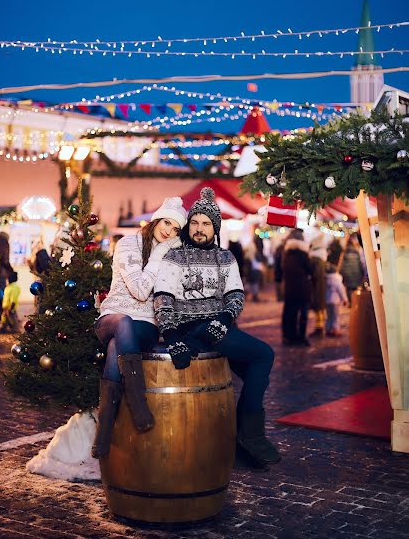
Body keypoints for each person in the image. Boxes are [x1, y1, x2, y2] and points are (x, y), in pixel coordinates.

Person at [154, 187, 280, 469]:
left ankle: (245, 436)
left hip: (218, 327)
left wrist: (223, 320)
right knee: (263, 357)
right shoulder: (173, 258)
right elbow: (163, 298)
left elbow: (235, 295)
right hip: (187, 326)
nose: (199, 229)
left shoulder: (226, 258)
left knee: (257, 368)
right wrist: (172, 335)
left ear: (215, 228)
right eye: (195, 222)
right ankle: (250, 436)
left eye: (206, 224)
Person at [91, 196, 187, 459]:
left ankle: (103, 435)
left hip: (145, 325)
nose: (168, 230)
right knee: (123, 324)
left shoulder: (171, 256)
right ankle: (137, 402)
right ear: (157, 218)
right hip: (112, 317)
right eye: (166, 222)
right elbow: (140, 289)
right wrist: (157, 256)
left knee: (117, 346)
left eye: (176, 229)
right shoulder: (128, 244)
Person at [281, 229, 312, 346]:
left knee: (289, 313)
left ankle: (288, 336)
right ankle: (301, 337)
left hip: (289, 288)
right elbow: (310, 269)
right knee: (303, 314)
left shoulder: (286, 254)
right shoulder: (303, 254)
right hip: (302, 288)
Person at [308, 233, 328, 339]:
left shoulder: (316, 259)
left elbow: (316, 275)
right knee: (319, 308)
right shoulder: (321, 259)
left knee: (319, 308)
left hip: (317, 287)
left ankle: (319, 328)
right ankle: (319, 327)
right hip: (320, 286)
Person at [340, 234, 365, 305]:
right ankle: (356, 303)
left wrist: (342, 274)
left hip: (347, 275)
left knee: (348, 289)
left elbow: (342, 265)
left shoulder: (344, 253)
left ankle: (351, 303)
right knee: (355, 289)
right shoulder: (356, 252)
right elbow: (360, 264)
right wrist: (362, 273)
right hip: (356, 274)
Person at [325, 263, 348, 336]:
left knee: (329, 316)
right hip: (335, 301)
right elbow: (341, 290)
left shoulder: (326, 279)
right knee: (335, 316)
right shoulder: (337, 280)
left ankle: (328, 329)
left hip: (327, 301)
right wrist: (345, 299)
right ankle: (335, 330)